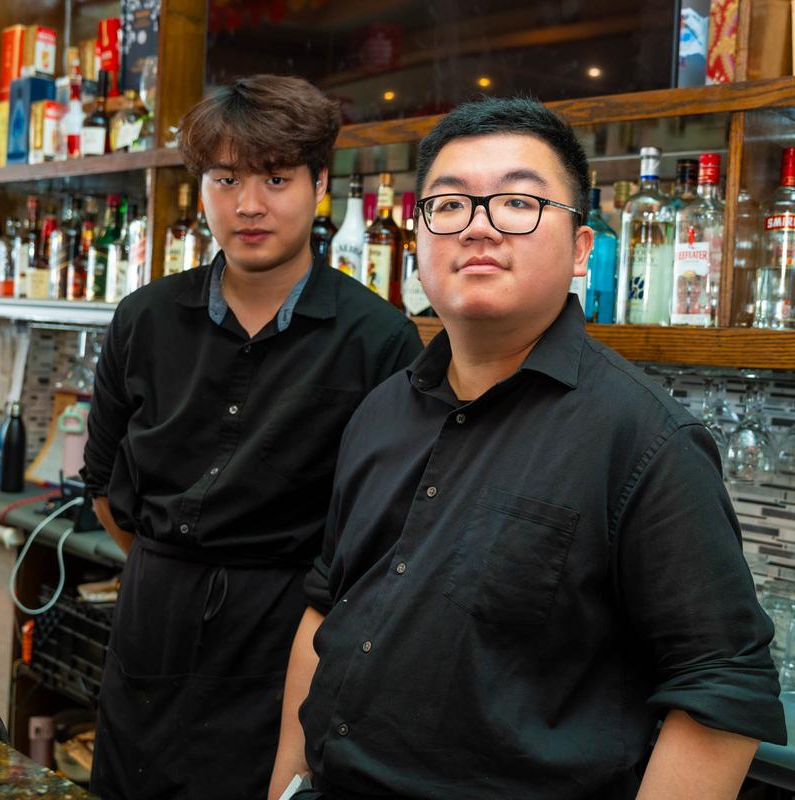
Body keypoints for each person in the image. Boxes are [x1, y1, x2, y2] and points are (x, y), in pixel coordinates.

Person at [269, 96, 786, 800]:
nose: (478, 227)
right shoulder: (380, 410)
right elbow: (326, 608)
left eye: (518, 202)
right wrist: (285, 785)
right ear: (418, 237)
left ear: (582, 249)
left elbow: (721, 687)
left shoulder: (645, 439)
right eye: (449, 204)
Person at [83, 74, 423, 800]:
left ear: (319, 184)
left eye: (276, 178)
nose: (248, 205)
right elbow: (103, 482)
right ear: (201, 188)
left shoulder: (379, 339)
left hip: (287, 633)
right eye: (226, 179)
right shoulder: (143, 319)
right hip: (152, 616)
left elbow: (383, 532)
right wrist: (167, 572)